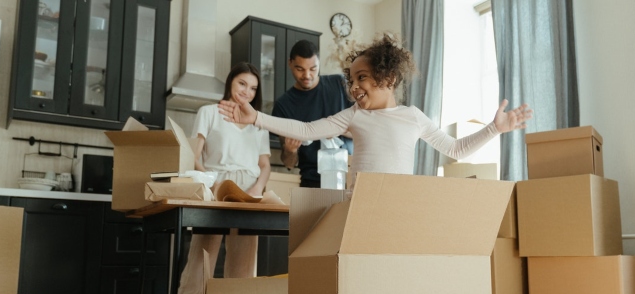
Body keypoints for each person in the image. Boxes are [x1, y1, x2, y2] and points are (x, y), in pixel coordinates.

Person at [218, 34, 532, 186]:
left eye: (362, 78)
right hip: (357, 205)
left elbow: (456, 148)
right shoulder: (355, 115)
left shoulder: (413, 117)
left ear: (389, 78)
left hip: (398, 204)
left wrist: (495, 129)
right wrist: (256, 117)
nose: (354, 87)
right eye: (351, 80)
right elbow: (307, 130)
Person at [172, 62, 271, 294]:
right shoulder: (209, 112)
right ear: (230, 82)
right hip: (215, 190)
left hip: (249, 194)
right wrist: (211, 183)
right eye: (242, 84)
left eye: (253, 88)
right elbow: (194, 154)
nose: (247, 92)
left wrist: (257, 188)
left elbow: (264, 164)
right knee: (199, 270)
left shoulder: (258, 121)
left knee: (242, 275)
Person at [272, 39, 353, 188]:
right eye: (300, 69)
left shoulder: (339, 84)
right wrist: (290, 150)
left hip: (349, 176)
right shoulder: (283, 105)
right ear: (290, 63)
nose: (307, 75)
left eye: (313, 69)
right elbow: (289, 163)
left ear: (319, 64)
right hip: (312, 181)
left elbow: (363, 128)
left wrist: (335, 128)